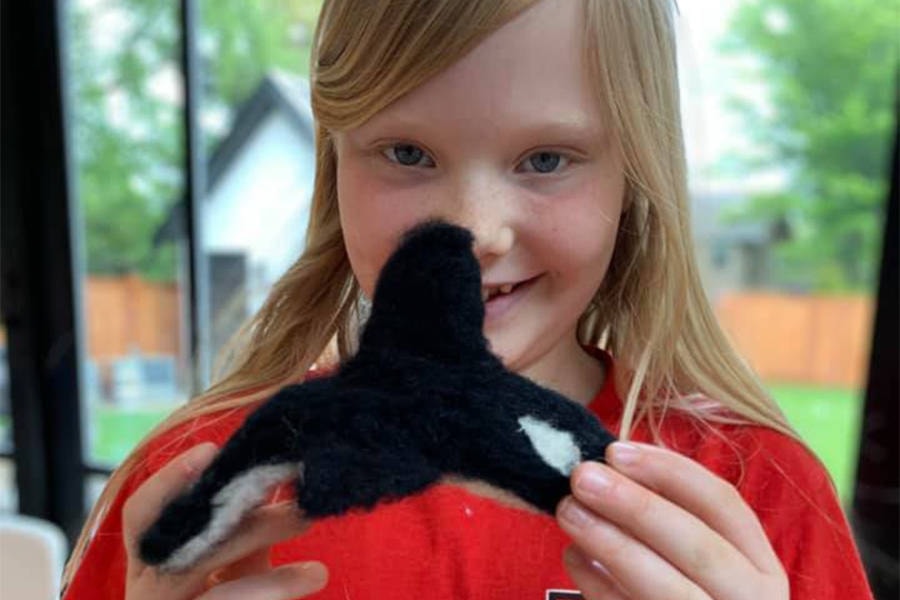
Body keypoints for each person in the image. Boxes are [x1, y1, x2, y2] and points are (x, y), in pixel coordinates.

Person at [62, 0, 874, 598]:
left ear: (634, 178)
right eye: (407, 151)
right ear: (333, 168)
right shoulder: (190, 488)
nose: (473, 230)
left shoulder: (760, 498)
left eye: (548, 159)